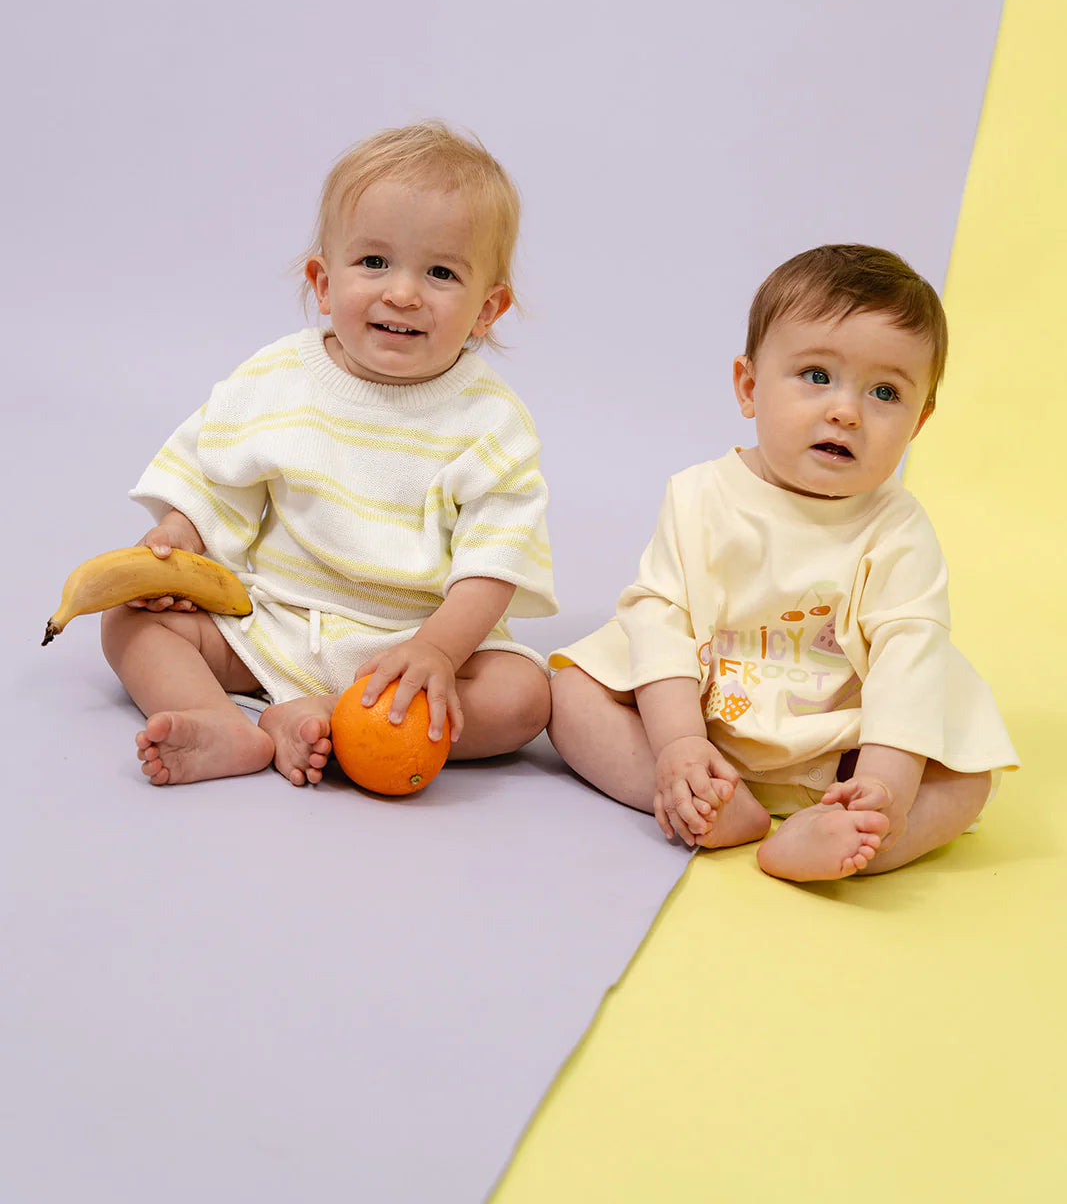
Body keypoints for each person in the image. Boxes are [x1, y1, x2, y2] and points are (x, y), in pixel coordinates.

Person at [102, 121, 557, 786]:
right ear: (322, 280)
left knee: (523, 697)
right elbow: (214, 478)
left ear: (487, 310)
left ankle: (324, 719)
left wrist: (435, 648)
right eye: (373, 263)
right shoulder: (277, 377)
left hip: (416, 647)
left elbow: (496, 558)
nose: (402, 292)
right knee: (128, 624)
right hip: (272, 623)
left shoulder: (489, 421)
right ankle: (221, 724)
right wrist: (179, 534)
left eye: (439, 272)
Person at [548, 244, 1018, 881]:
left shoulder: (898, 528)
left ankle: (846, 831)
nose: (845, 411)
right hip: (704, 715)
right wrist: (679, 743)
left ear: (919, 422)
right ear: (748, 386)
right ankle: (704, 797)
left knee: (968, 778)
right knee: (572, 692)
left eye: (885, 392)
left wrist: (885, 783)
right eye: (817, 376)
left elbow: (910, 657)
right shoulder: (700, 495)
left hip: (843, 740)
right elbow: (660, 621)